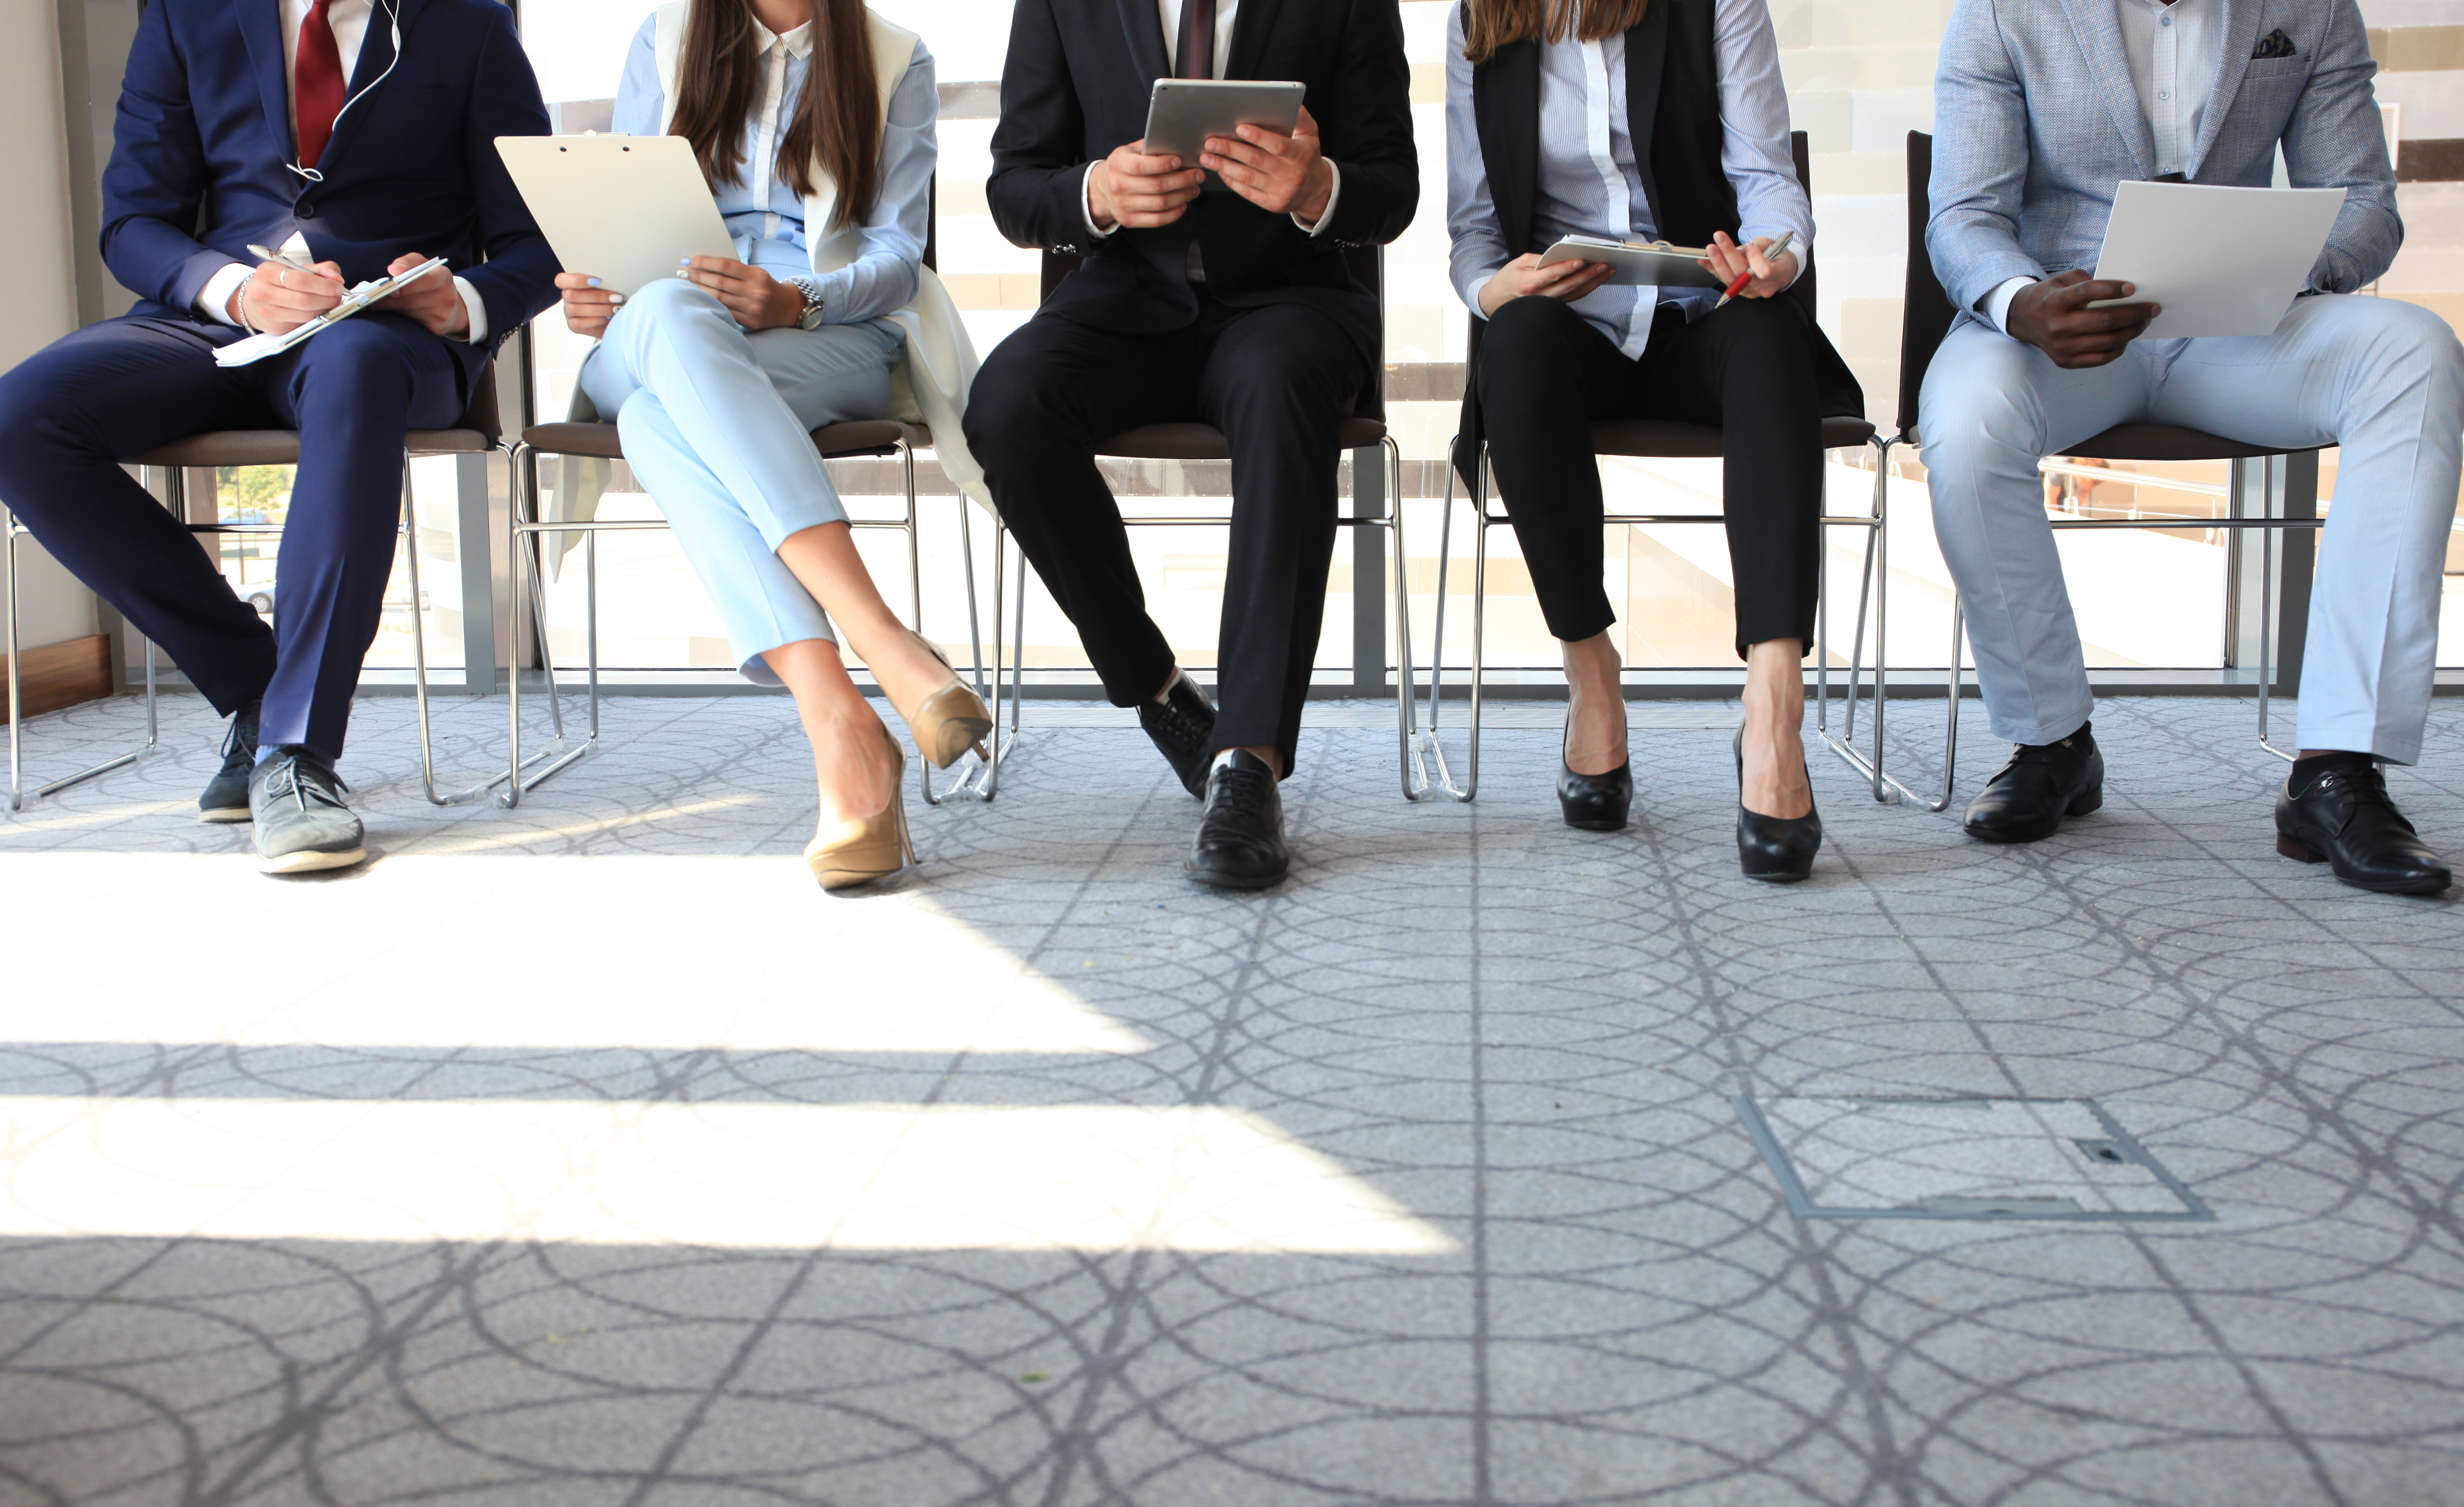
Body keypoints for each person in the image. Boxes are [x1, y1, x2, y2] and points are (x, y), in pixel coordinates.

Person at [0, 0, 559, 874]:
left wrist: (465, 301)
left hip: (386, 331)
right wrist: (234, 290)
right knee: (21, 419)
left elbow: (533, 243)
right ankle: (257, 684)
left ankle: (297, 754)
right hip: (224, 318)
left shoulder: (470, 21)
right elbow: (134, 221)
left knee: (356, 366)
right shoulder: (187, 16)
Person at [1923, 0, 2462, 895]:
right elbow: (1961, 217)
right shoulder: (1998, 10)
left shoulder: (2310, 8)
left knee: (2415, 351)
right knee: (1965, 415)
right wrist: (2021, 303)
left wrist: (2276, 273)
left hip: (2243, 329)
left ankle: (2336, 768)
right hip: (2065, 328)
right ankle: (2051, 740)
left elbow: (2366, 206)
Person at [963, 0, 1417, 891]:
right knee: (1007, 407)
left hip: (1289, 303)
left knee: (1285, 390)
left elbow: (1391, 188)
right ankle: (1160, 692)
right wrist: (1094, 192)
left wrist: (1316, 184)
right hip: (1121, 301)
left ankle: (1247, 762)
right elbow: (1015, 186)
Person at [551, 0, 990, 891]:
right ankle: (885, 645)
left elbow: (900, 253)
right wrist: (595, 293)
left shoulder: (893, 55)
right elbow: (616, 232)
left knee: (658, 423)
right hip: (657, 329)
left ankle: (842, 727)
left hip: (821, 334)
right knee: (670, 313)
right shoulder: (663, 39)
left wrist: (798, 302)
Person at [1447, 0, 1865, 882]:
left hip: (1699, 314)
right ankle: (1591, 676)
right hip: (1567, 329)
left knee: (1769, 332)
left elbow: (1767, 176)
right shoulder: (1479, 17)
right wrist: (1500, 286)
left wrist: (1770, 256)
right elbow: (1473, 229)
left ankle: (1772, 707)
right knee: (1513, 345)